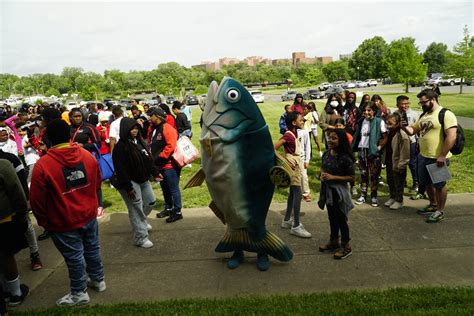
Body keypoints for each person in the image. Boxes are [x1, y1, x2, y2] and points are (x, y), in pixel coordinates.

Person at [30, 119, 105, 306]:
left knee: (74, 257)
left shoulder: (44, 165)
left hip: (63, 221)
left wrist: (44, 221)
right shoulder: (86, 155)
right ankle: (98, 279)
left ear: (47, 139)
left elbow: (36, 201)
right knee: (92, 249)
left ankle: (79, 292)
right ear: (70, 135)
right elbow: (97, 183)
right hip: (88, 215)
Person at [401, 89, 457, 223]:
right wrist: (403, 126)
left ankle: (440, 210)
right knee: (425, 183)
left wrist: (442, 155)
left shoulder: (446, 114)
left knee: (439, 185)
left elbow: (451, 136)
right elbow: (412, 131)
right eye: (420, 103)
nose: (422, 105)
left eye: (424, 102)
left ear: (433, 99)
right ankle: (432, 205)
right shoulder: (423, 115)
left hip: (438, 157)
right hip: (423, 156)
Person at [112, 118, 157, 248]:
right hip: (129, 182)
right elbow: (120, 170)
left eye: (137, 128)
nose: (135, 130)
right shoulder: (120, 147)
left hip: (142, 179)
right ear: (125, 129)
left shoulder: (139, 142)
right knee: (136, 208)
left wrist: (155, 172)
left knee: (151, 201)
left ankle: (141, 221)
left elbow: (147, 159)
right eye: (132, 128)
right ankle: (141, 238)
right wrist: (128, 187)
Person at [318, 129, 356, 259]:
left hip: (340, 193)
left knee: (341, 220)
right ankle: (334, 241)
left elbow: (351, 177)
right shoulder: (327, 153)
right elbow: (323, 167)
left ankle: (346, 246)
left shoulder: (345, 158)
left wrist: (333, 177)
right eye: (329, 137)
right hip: (328, 192)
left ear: (341, 141)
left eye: (334, 138)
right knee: (332, 218)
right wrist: (322, 174)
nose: (330, 140)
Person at [274, 111, 311, 238]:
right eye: (301, 120)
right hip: (293, 166)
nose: (303, 121)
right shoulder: (289, 135)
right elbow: (274, 147)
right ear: (294, 123)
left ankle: (286, 220)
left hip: (297, 165)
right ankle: (296, 225)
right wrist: (283, 159)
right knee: (298, 194)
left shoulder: (294, 133)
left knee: (292, 193)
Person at [0, 159, 30, 308]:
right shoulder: (3, 164)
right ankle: (16, 293)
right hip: (3, 220)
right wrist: (22, 213)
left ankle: (5, 291)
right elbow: (16, 191)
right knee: (7, 255)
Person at [148, 107, 183, 223]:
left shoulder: (167, 128)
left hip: (170, 166)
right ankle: (168, 208)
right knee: (165, 189)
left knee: (173, 189)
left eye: (151, 115)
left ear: (157, 116)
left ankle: (177, 212)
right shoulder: (155, 128)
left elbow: (171, 146)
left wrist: (161, 156)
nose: (149, 117)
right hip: (160, 166)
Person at [352, 102, 388, 207]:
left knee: (374, 175)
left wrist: (379, 147)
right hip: (362, 150)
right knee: (363, 174)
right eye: (365, 111)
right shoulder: (361, 121)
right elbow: (358, 136)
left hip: (373, 152)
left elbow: (385, 137)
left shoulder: (379, 122)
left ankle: (373, 196)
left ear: (374, 111)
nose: (366, 113)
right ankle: (363, 195)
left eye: (369, 110)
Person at [384, 113, 410, 210]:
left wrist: (402, 164)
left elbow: (405, 151)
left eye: (390, 123)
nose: (388, 125)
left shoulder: (402, 135)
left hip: (398, 162)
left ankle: (399, 200)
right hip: (389, 160)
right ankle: (392, 197)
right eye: (387, 123)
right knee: (390, 180)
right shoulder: (390, 132)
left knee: (398, 182)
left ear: (398, 123)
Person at [395, 95, 419, 193]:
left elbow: (417, 129)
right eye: (402, 104)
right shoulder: (395, 114)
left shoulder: (414, 114)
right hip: (399, 142)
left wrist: (418, 142)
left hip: (411, 142)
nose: (405, 106)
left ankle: (416, 183)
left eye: (407, 103)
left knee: (413, 163)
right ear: (397, 104)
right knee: (401, 163)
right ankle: (402, 181)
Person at [297, 114, 312, 203]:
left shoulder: (305, 132)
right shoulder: (289, 132)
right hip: (292, 159)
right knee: (295, 177)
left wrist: (307, 160)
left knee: (304, 176)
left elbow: (308, 147)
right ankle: (296, 193)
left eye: (303, 120)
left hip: (302, 158)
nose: (303, 122)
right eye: (301, 120)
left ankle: (306, 193)